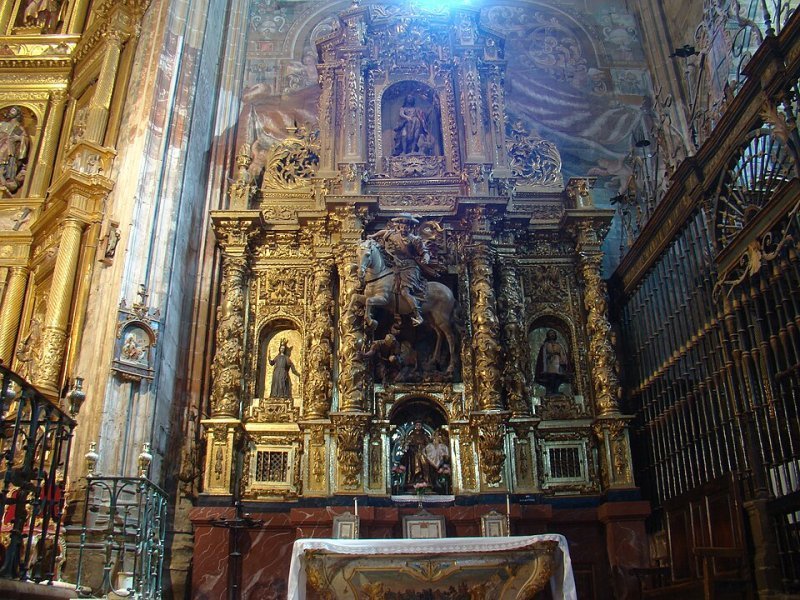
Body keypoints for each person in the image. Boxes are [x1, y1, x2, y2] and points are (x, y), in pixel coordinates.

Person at [368, 215, 430, 326]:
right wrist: (373, 235)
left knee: (405, 292)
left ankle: (418, 315)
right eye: (402, 226)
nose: (404, 228)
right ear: (399, 226)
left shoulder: (415, 240)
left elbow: (424, 252)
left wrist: (426, 257)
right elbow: (383, 232)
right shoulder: (393, 235)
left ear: (410, 228)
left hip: (410, 268)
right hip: (396, 267)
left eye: (406, 226)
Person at [0, 107, 29, 194]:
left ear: (18, 114)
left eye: (13, 111)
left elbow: (25, 139)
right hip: (2, 145)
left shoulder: (19, 127)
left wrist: (19, 138)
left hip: (11, 149)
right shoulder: (2, 124)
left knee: (9, 163)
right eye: (11, 110)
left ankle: (5, 180)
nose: (11, 112)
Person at [534, 329, 569, 394]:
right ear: (548, 335)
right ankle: (551, 390)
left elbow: (562, 353)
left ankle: (556, 390)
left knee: (558, 376)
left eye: (553, 333)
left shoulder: (559, 345)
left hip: (558, 362)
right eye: (550, 333)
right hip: (550, 363)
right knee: (551, 376)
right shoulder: (545, 345)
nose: (552, 335)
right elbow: (543, 355)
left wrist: (563, 361)